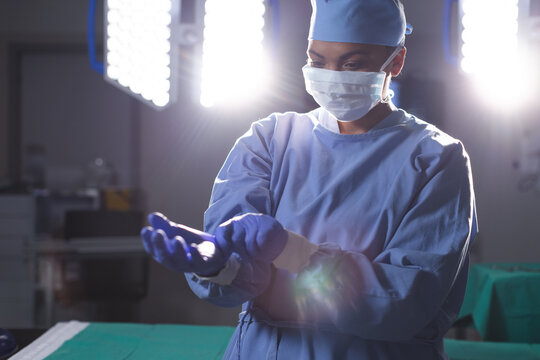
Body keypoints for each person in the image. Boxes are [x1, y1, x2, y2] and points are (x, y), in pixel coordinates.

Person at [141, 0, 478, 358]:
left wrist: (293, 252)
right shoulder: (269, 141)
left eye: (351, 64)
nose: (331, 74)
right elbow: (245, 278)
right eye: (317, 61)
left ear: (395, 62)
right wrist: (216, 263)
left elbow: (404, 301)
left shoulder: (435, 159)